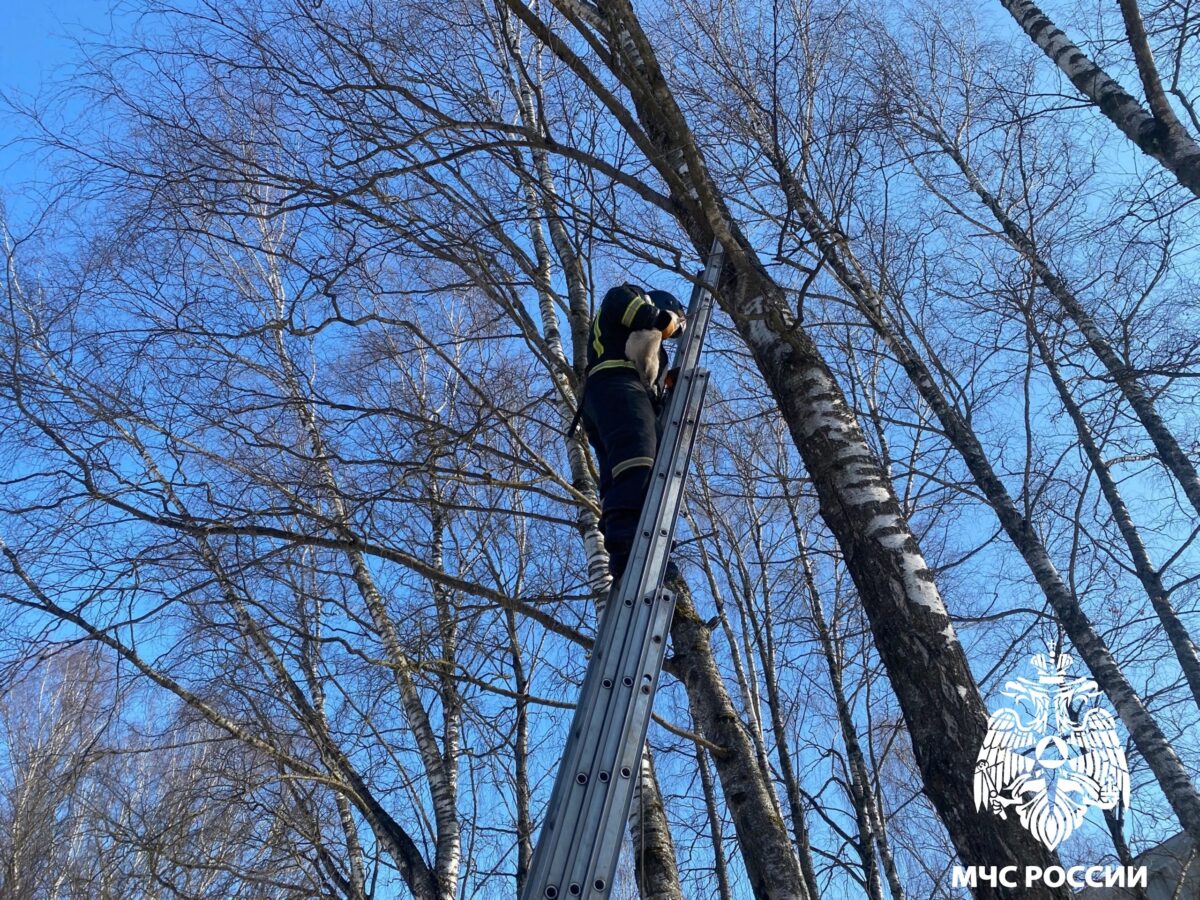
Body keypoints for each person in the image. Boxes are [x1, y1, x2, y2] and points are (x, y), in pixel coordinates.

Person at [580, 283, 687, 580]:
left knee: (619, 472)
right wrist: (665, 320)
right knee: (636, 455)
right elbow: (633, 311)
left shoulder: (653, 350)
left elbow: (651, 385)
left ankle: (625, 540)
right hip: (616, 383)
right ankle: (630, 545)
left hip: (611, 396)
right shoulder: (625, 295)